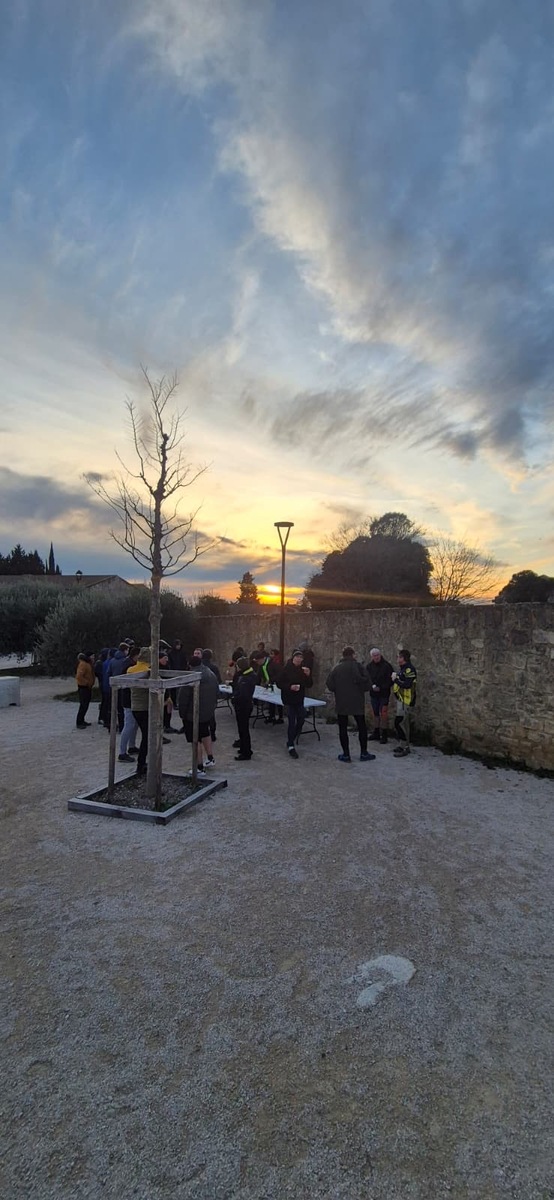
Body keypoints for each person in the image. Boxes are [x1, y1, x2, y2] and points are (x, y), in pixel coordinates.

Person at [326, 647, 375, 763]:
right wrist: (359, 690)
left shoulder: (337, 668)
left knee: (342, 728)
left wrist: (339, 689)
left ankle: (346, 754)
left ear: (343, 655)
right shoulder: (359, 667)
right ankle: (364, 753)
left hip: (342, 701)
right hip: (357, 701)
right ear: (353, 654)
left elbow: (330, 685)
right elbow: (368, 684)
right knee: (361, 727)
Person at [179, 658, 220, 775]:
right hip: (207, 712)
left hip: (192, 713)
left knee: (195, 740)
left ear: (189, 665)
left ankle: (199, 767)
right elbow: (217, 692)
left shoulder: (191, 677)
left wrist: (182, 714)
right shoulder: (211, 674)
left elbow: (183, 698)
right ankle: (210, 758)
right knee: (205, 733)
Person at [279, 649, 312, 759]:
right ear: (293, 658)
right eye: (297, 657)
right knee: (291, 722)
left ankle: (292, 738)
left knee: (302, 718)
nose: (299, 659)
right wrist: (290, 687)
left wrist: (308, 675)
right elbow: (279, 683)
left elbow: (309, 684)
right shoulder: (286, 669)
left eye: (300, 657)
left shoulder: (303, 670)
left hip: (299, 698)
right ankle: (291, 745)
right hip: (289, 699)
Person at [128, 648, 151, 775]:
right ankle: (141, 764)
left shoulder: (131, 669)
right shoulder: (148, 671)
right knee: (147, 736)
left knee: (145, 734)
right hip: (145, 708)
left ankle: (142, 763)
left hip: (135, 707)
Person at [392, 649, 417, 758]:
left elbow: (407, 685)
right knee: (401, 723)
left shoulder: (409, 669)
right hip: (401, 700)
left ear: (403, 658)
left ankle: (406, 747)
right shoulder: (403, 668)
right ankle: (403, 745)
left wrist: (395, 680)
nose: (397, 659)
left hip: (406, 701)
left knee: (401, 723)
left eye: (399, 657)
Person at [118, 644, 141, 762]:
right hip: (129, 699)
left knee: (134, 724)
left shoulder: (128, 663)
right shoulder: (129, 666)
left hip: (131, 698)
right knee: (129, 725)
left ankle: (131, 746)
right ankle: (122, 752)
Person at [366, 647, 394, 744]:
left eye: (377, 655)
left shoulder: (387, 666)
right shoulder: (369, 667)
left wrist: (381, 687)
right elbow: (367, 678)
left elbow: (391, 680)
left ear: (380, 655)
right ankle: (376, 732)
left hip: (384, 693)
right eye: (374, 656)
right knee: (375, 713)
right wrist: (373, 686)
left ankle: (384, 734)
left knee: (384, 713)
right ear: (371, 657)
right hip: (374, 693)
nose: (376, 657)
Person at [231, 656, 257, 761]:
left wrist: (234, 699)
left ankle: (246, 752)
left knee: (243, 730)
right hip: (245, 705)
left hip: (243, 706)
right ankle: (243, 748)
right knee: (242, 729)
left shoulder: (246, 678)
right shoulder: (248, 675)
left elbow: (243, 695)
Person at [201, 649, 221, 742]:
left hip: (201, 693)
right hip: (211, 695)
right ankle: (212, 734)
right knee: (211, 715)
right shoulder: (214, 667)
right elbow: (218, 681)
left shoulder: (198, 667)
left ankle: (202, 734)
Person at [75, 651, 95, 729]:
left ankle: (82, 720)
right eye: (92, 656)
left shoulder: (88, 664)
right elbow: (79, 676)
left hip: (87, 687)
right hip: (83, 687)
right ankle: (79, 722)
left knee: (85, 705)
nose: (93, 658)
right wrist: (87, 683)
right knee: (83, 705)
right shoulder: (83, 664)